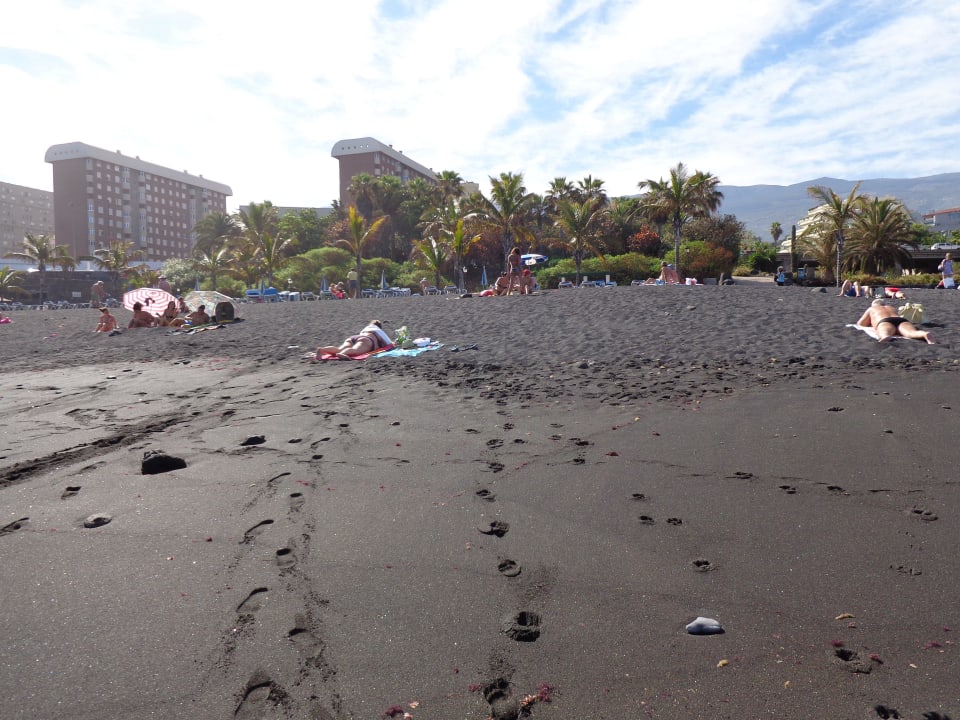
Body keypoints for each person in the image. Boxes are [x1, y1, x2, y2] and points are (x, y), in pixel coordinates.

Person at [856, 298, 935, 344]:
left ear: (873, 305)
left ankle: (885, 337)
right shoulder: (891, 307)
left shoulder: (872, 309)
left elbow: (860, 324)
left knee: (884, 333)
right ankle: (925, 334)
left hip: (885, 321)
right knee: (911, 333)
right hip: (901, 320)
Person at [315, 320, 393, 359]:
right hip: (366, 340)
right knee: (355, 350)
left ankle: (322, 350)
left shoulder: (366, 328)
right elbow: (389, 344)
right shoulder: (378, 330)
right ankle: (344, 354)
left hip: (353, 337)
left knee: (339, 349)